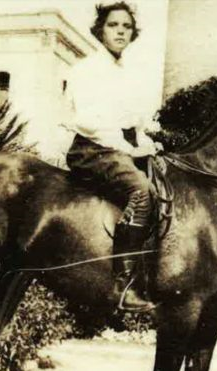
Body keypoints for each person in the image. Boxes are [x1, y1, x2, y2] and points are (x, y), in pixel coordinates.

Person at [62, 1, 161, 312]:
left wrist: (147, 141)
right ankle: (122, 283)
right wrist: (128, 148)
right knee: (141, 192)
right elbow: (89, 120)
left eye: (126, 27)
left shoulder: (128, 73)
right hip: (92, 149)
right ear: (100, 30)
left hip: (118, 146)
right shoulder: (87, 69)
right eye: (113, 25)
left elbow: (136, 121)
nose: (120, 31)